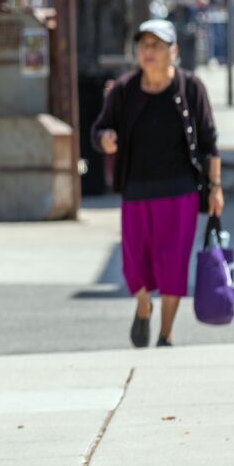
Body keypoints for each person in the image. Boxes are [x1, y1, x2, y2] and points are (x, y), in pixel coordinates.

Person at [92, 18, 222, 348]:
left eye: (157, 45)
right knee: (133, 261)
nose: (149, 52)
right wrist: (105, 138)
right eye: (144, 45)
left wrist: (215, 186)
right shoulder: (124, 90)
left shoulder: (190, 88)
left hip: (181, 191)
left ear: (173, 51)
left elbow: (209, 142)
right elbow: (99, 128)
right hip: (136, 189)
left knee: (173, 263)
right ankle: (143, 304)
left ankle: (165, 334)